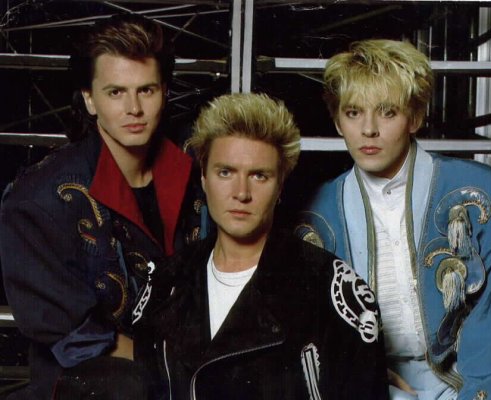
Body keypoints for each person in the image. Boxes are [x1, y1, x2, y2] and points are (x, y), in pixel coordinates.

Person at [0, 14, 204, 399]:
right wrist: (178, 370)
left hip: (182, 373)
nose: (134, 108)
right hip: (92, 386)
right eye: (115, 92)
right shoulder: (37, 200)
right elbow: (77, 339)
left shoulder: (198, 173)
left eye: (146, 90)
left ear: (165, 91)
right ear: (90, 99)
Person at [134, 92, 389, 400]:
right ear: (203, 177)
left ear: (280, 185)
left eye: (259, 176)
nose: (241, 193)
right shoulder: (164, 284)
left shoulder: (331, 291)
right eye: (225, 172)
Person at [295, 39, 491, 400]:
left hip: (468, 380)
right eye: (353, 112)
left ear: (415, 118)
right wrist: (362, 371)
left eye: (387, 112)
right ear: (337, 121)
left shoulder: (481, 190)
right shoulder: (317, 211)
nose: (368, 129)